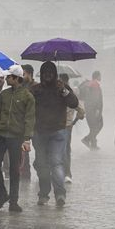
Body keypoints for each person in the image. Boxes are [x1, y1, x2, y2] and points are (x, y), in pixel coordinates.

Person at [31, 61, 79, 207]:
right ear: (41, 74)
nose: (48, 76)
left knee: (56, 163)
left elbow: (73, 103)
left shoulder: (62, 88)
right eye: (45, 73)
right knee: (41, 164)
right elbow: (27, 107)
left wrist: (63, 90)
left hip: (58, 132)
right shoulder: (35, 90)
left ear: (55, 74)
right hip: (39, 132)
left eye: (50, 73)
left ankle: (60, 194)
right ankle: (44, 194)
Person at [0, 65, 35, 213]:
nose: (6, 78)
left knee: (14, 169)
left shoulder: (27, 96)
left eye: (9, 76)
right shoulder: (4, 95)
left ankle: (13, 201)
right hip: (1, 135)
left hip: (16, 137)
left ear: (16, 78)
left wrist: (27, 138)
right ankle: (3, 194)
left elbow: (29, 119)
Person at [60, 73, 85, 184]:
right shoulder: (57, 93)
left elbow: (81, 111)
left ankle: (67, 173)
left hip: (65, 127)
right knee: (59, 150)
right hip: (57, 126)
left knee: (65, 150)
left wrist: (72, 122)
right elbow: (81, 112)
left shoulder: (71, 95)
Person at [80, 71, 104, 150]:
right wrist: (97, 109)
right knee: (99, 125)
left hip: (88, 109)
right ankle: (86, 139)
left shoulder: (89, 84)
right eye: (100, 75)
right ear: (97, 76)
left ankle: (93, 145)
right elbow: (96, 98)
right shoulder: (95, 84)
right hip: (94, 110)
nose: (101, 77)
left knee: (93, 127)